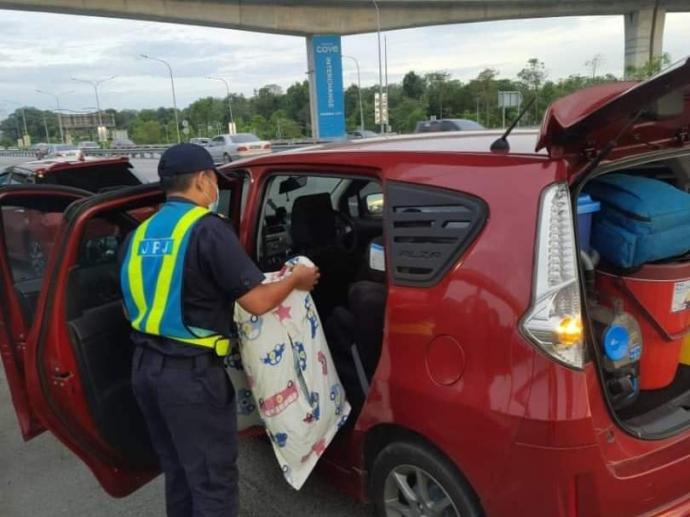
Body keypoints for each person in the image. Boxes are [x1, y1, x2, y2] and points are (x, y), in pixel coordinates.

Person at [119, 143, 319, 517]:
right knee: (213, 483)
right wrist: (296, 279)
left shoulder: (139, 233)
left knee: (179, 472)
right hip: (189, 378)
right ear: (202, 179)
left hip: (145, 370)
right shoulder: (206, 229)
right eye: (214, 182)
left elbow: (130, 303)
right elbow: (256, 301)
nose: (215, 191)